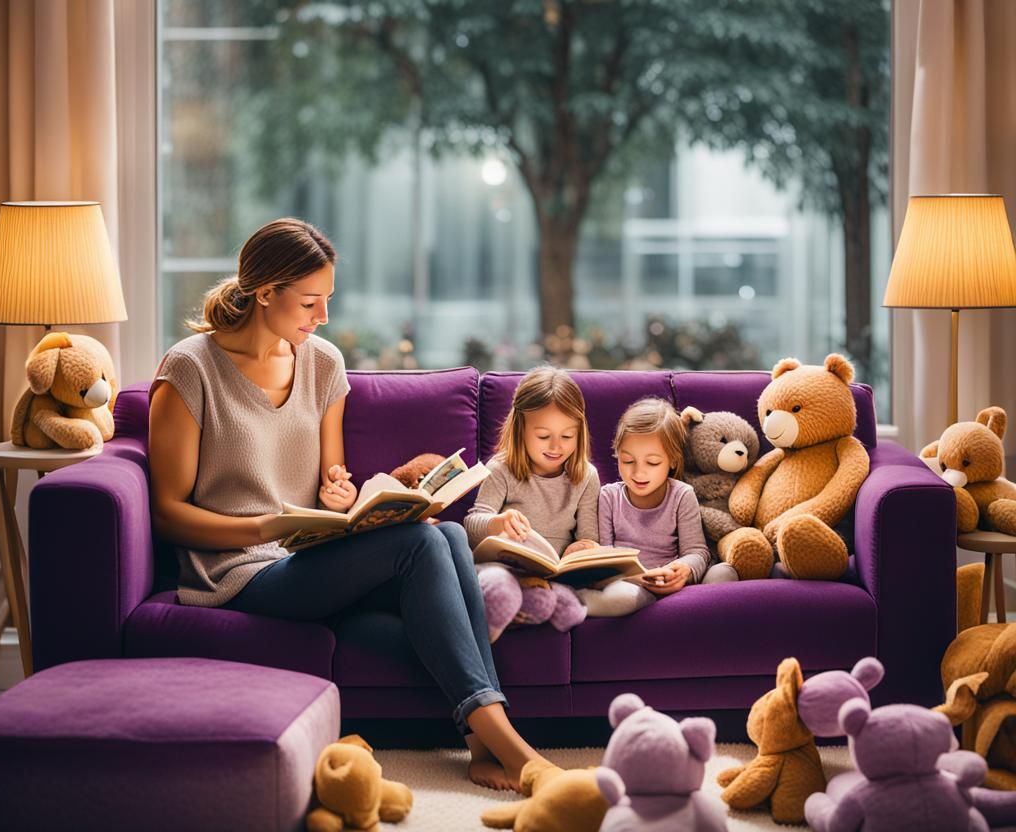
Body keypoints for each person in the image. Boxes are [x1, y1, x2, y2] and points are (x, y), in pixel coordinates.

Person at [148, 217, 544, 791]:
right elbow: (167, 511)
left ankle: (486, 743)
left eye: (326, 300)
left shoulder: (322, 364)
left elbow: (333, 481)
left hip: (311, 555)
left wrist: (343, 495)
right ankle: (508, 747)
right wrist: (263, 524)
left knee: (449, 535)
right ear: (265, 293)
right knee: (421, 545)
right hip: (238, 572)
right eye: (310, 302)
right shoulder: (191, 369)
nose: (323, 317)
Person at [578, 397, 737, 618]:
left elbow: (697, 552)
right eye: (627, 461)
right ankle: (578, 603)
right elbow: (604, 558)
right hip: (631, 585)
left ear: (672, 460)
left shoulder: (682, 494)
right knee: (620, 597)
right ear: (617, 455)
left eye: (652, 463)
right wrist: (636, 578)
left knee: (724, 573)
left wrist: (684, 570)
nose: (638, 473)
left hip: (677, 582)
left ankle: (699, 619)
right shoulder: (608, 496)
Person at [464, 366, 601, 557]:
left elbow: (589, 537)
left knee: (577, 588)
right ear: (520, 430)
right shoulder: (501, 468)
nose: (556, 447)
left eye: (567, 436)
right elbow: (472, 526)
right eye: (544, 436)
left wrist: (583, 548)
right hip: (506, 566)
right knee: (495, 579)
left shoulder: (587, 476)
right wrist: (497, 523)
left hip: (557, 572)